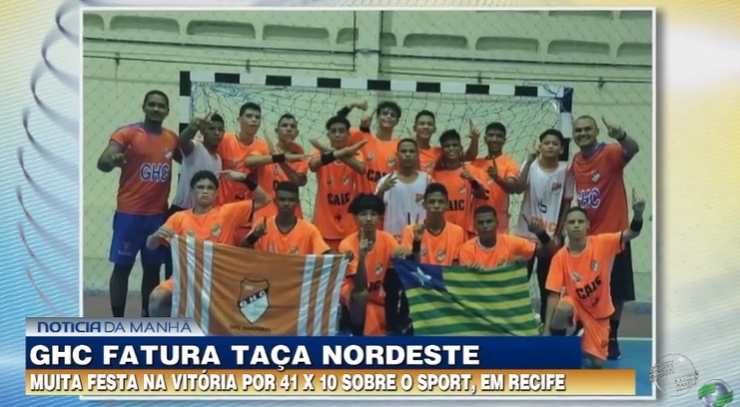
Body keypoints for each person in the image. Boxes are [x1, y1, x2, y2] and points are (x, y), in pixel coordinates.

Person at [95, 90, 178, 317]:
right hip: (129, 215)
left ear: (167, 111)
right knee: (122, 268)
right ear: (143, 106)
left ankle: (146, 318)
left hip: (157, 216)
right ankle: (118, 320)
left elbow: (190, 158)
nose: (156, 109)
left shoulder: (171, 138)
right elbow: (102, 162)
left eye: (161, 105)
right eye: (151, 104)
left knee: (152, 270)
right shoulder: (127, 133)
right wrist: (111, 160)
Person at [144, 170, 271, 317]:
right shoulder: (179, 218)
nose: (205, 191)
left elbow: (264, 200)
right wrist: (155, 236)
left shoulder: (227, 213)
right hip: (186, 277)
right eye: (200, 187)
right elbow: (150, 245)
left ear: (217, 193)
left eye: (210, 188)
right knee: (157, 298)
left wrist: (244, 178)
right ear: (192, 191)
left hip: (218, 279)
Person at [544, 195, 646, 368]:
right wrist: (547, 330)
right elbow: (553, 295)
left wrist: (638, 214)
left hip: (598, 313)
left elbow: (632, 233)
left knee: (598, 364)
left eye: (580, 221)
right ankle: (560, 349)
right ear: (565, 227)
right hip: (575, 306)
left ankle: (582, 337)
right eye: (571, 222)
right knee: (562, 308)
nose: (576, 225)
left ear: (587, 225)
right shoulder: (560, 257)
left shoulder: (602, 243)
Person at [569, 115, 641, 360]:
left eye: (587, 129)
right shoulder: (576, 161)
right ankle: (586, 329)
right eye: (578, 130)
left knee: (617, 292)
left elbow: (632, 149)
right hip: (589, 241)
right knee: (589, 289)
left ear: (597, 130)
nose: (582, 134)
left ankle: (611, 337)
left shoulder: (610, 153)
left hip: (615, 237)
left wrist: (620, 134)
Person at [513, 129, 574, 323]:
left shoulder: (566, 171)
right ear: (540, 146)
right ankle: (519, 322)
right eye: (546, 142)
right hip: (525, 234)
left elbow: (566, 203)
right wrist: (530, 160)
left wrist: (558, 232)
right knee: (520, 281)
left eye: (555, 143)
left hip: (550, 237)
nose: (550, 146)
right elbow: (518, 188)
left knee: (547, 283)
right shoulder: (529, 166)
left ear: (561, 148)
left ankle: (546, 325)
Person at [163, 113, 226, 281]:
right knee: (174, 267)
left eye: (220, 129)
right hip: (181, 212)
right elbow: (182, 142)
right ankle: (168, 304)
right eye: (212, 128)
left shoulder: (219, 159)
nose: (216, 132)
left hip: (202, 218)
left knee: (196, 269)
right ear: (204, 130)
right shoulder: (195, 148)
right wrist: (192, 127)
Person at [338, 194, 408, 336]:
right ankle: (354, 332)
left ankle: (395, 325)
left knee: (396, 279)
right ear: (355, 218)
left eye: (373, 214)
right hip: (354, 296)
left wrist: (406, 254)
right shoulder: (347, 244)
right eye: (363, 214)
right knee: (361, 295)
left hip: (377, 296)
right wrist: (362, 256)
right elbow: (360, 285)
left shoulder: (387, 239)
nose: (369, 219)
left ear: (380, 218)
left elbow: (395, 278)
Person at [308, 116, 367, 251]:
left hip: (349, 226)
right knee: (325, 269)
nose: (337, 134)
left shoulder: (356, 153)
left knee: (348, 268)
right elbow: (313, 165)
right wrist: (338, 153)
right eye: (333, 131)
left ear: (348, 134)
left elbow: (361, 168)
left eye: (341, 131)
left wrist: (334, 152)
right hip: (324, 224)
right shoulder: (318, 153)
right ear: (328, 134)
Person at [215, 102, 270, 243]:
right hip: (221, 209)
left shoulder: (262, 146)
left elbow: (251, 160)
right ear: (239, 120)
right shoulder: (225, 140)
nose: (254, 120)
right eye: (249, 116)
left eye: (257, 117)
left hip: (246, 213)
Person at [243, 113, 310, 219]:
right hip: (266, 214)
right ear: (276, 131)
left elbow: (297, 181)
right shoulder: (265, 148)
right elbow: (248, 161)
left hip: (292, 216)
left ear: (297, 133)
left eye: (292, 126)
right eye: (284, 125)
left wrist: (281, 159)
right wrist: (275, 157)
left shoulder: (300, 157)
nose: (288, 129)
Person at [240, 181, 331, 255]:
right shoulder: (263, 224)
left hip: (295, 277)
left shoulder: (309, 230)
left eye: (291, 200)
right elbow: (241, 249)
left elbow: (325, 254)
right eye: (282, 199)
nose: (286, 204)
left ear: (297, 202)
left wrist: (343, 257)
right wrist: (254, 236)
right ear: (275, 201)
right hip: (267, 276)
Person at [458, 205, 556, 270]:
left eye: (489, 221)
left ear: (497, 224)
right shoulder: (467, 250)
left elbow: (550, 251)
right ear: (474, 226)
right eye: (480, 223)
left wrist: (541, 233)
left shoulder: (511, 242)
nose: (485, 226)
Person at [431, 129, 488, 237]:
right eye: (447, 146)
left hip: (466, 232)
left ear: (461, 148)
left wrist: (472, 181)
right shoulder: (434, 175)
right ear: (442, 151)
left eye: (454, 145)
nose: (451, 149)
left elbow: (483, 194)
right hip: (442, 232)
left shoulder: (472, 171)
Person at [336, 100, 401, 194]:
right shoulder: (363, 138)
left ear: (397, 122)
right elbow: (338, 122)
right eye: (385, 113)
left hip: (388, 202)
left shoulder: (400, 145)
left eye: (393, 115)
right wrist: (353, 104)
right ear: (377, 118)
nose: (388, 116)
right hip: (364, 202)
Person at [375, 138, 432, 242]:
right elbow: (375, 210)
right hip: (393, 240)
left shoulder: (427, 180)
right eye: (404, 151)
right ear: (397, 155)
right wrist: (381, 191)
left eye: (411, 151)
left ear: (417, 155)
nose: (408, 154)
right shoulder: (386, 181)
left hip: (421, 239)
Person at [471, 122, 520, 234]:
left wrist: (497, 178)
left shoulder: (509, 163)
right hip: (477, 221)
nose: (494, 139)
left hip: (500, 222)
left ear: (504, 140)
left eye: (499, 136)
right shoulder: (475, 163)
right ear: (484, 138)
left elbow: (512, 188)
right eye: (491, 135)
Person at [402, 183, 466, 265]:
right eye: (432, 202)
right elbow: (410, 266)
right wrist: (417, 242)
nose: (436, 206)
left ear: (447, 205)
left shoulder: (457, 231)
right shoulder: (410, 230)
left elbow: (455, 268)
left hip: (444, 277)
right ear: (424, 205)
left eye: (441, 202)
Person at [409, 111, 480, 174]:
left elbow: (470, 156)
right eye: (422, 124)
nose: (426, 127)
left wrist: (475, 139)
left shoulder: (439, 152)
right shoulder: (404, 149)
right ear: (414, 128)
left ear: (434, 129)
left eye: (429, 124)